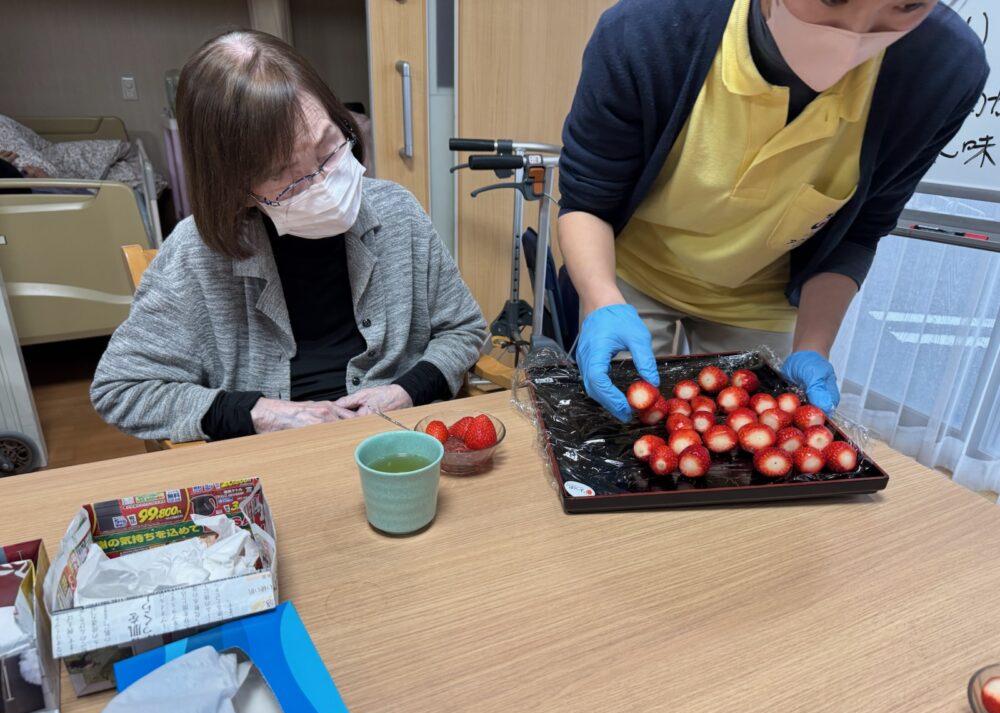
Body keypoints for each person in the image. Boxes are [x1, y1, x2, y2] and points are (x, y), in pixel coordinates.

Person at [558, 0, 989, 421]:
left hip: (762, 296)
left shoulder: (944, 70)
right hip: (634, 273)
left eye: (907, 6)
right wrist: (602, 300)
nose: (856, 35)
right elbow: (588, 200)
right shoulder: (648, 28)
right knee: (625, 423)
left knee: (749, 452)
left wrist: (813, 346)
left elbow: (861, 229)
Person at [91, 31, 487, 442]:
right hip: (271, 458)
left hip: (397, 442)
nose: (322, 184)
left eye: (329, 148)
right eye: (286, 178)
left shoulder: (395, 211)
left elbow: (463, 329)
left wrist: (407, 390)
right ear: (236, 190)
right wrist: (262, 414)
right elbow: (122, 390)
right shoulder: (196, 255)